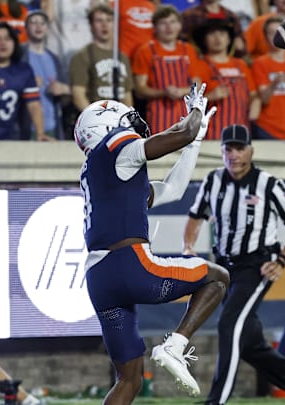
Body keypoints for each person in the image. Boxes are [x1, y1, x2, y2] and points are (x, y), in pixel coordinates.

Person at [75, 83, 230, 403]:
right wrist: (195, 115)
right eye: (125, 120)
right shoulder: (115, 145)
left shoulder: (98, 168)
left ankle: (173, 346)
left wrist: (196, 142)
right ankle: (175, 345)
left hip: (99, 277)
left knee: (127, 380)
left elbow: (171, 190)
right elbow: (181, 133)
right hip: (129, 263)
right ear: (107, 127)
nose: (134, 126)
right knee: (218, 277)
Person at [181, 124, 285, 405]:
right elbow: (196, 215)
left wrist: (282, 260)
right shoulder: (212, 181)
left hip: (257, 265)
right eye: (228, 149)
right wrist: (188, 246)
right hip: (224, 267)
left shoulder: (268, 184)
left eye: (239, 148)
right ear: (221, 152)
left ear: (251, 150)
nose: (233, 155)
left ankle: (216, 400)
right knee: (248, 341)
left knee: (229, 325)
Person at [132, 5, 203, 136]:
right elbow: (140, 89)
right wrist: (163, 92)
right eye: (163, 23)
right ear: (155, 27)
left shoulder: (189, 50)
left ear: (180, 25)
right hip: (158, 113)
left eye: (173, 22)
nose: (169, 27)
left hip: (186, 111)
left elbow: (197, 84)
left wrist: (180, 91)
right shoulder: (145, 51)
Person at [0, 22, 50, 141]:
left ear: (14, 42)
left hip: (9, 138)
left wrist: (40, 133)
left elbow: (33, 105)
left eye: (7, 38)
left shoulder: (23, 70)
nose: (3, 43)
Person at [193, 19, 260, 139]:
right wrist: (209, 97)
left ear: (229, 40)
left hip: (241, 130)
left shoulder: (241, 65)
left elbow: (253, 94)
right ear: (204, 40)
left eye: (222, 34)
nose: (217, 38)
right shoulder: (199, 65)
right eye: (212, 34)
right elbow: (190, 102)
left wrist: (256, 102)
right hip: (211, 134)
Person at [68, 4, 134, 112]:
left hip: (119, 120)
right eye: (99, 20)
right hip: (96, 119)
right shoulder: (82, 56)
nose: (104, 25)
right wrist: (96, 118)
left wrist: (127, 118)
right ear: (91, 25)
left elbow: (127, 95)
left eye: (109, 20)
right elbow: (78, 96)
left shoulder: (122, 58)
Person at [250, 16, 285, 140]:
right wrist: (274, 83)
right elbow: (264, 98)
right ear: (265, 38)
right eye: (272, 33)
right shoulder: (260, 63)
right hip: (267, 129)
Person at [21, 10, 71, 140]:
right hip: (26, 126)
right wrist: (27, 83)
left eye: (42, 23)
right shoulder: (19, 55)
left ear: (47, 29)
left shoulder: (54, 58)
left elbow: (68, 93)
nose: (38, 26)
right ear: (26, 28)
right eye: (34, 23)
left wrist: (63, 89)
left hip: (52, 126)